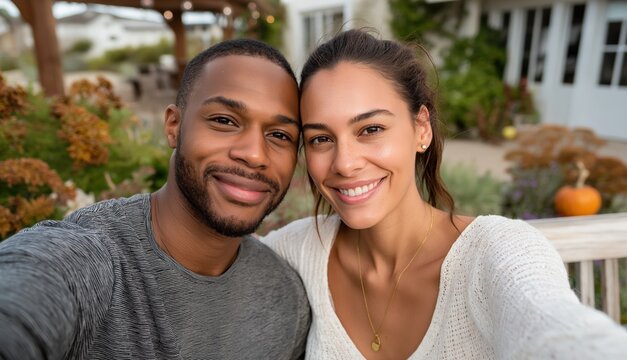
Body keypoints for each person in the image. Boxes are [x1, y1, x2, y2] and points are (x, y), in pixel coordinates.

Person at [262, 29, 627, 359]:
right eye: (321, 139)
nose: (344, 163)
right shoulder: (300, 251)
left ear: (421, 129)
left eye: (371, 129)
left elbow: (554, 329)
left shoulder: (497, 253)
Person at [0, 39, 310, 359]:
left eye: (279, 135)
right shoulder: (93, 257)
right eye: (224, 121)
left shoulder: (285, 299)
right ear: (173, 126)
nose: (254, 154)